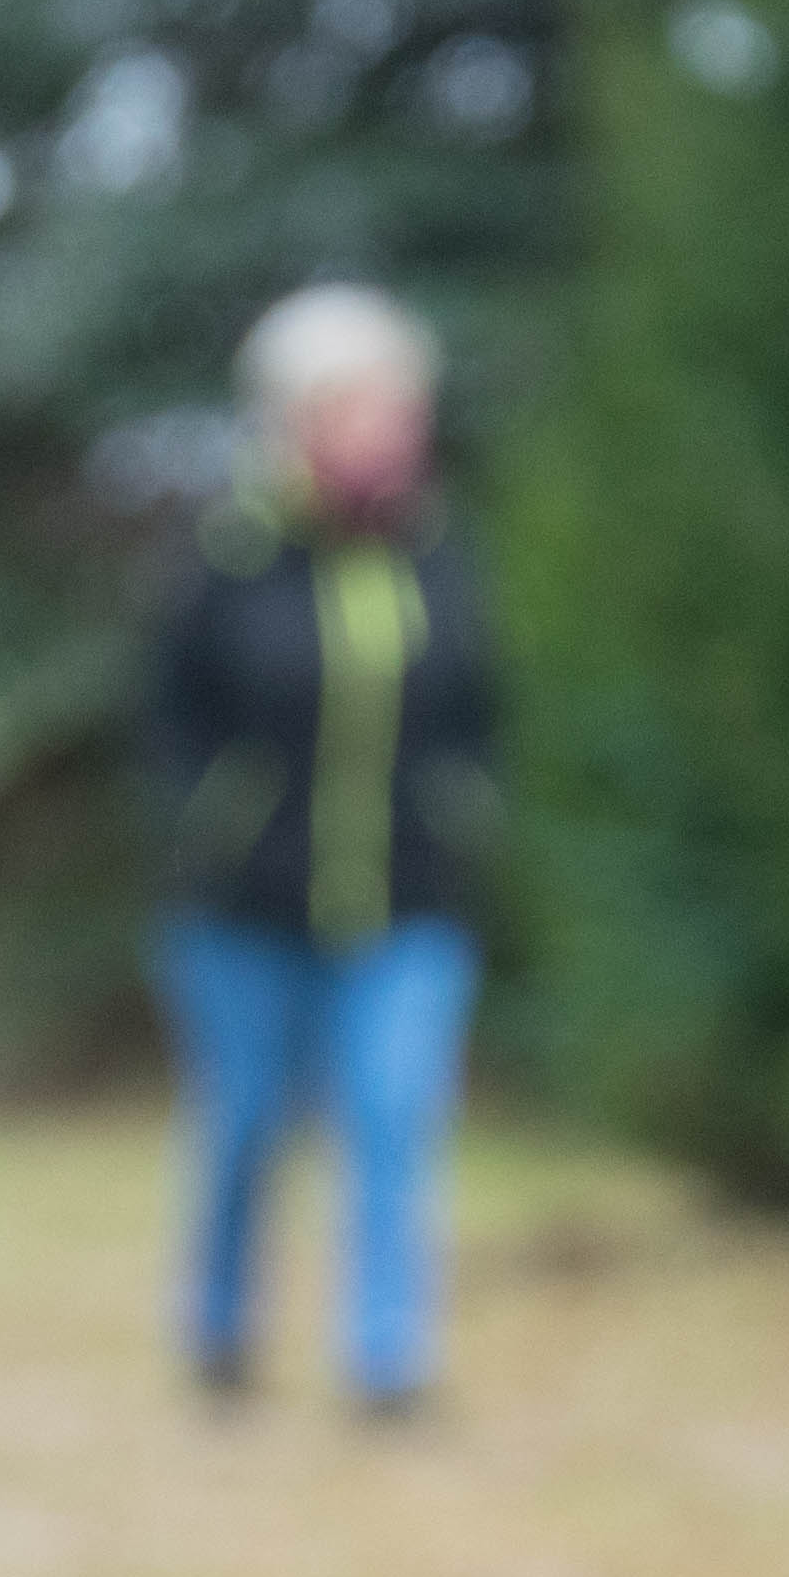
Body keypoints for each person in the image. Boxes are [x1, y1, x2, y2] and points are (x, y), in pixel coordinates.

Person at [140, 283, 501, 1419]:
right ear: (297, 420)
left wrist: (467, 809)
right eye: (362, 410)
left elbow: (483, 708)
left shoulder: (435, 555)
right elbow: (161, 718)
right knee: (244, 1124)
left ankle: (388, 1361)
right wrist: (210, 818)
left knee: (394, 1120)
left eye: (402, 409)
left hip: (408, 901)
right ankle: (219, 1331)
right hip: (246, 909)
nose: (390, 432)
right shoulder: (227, 559)